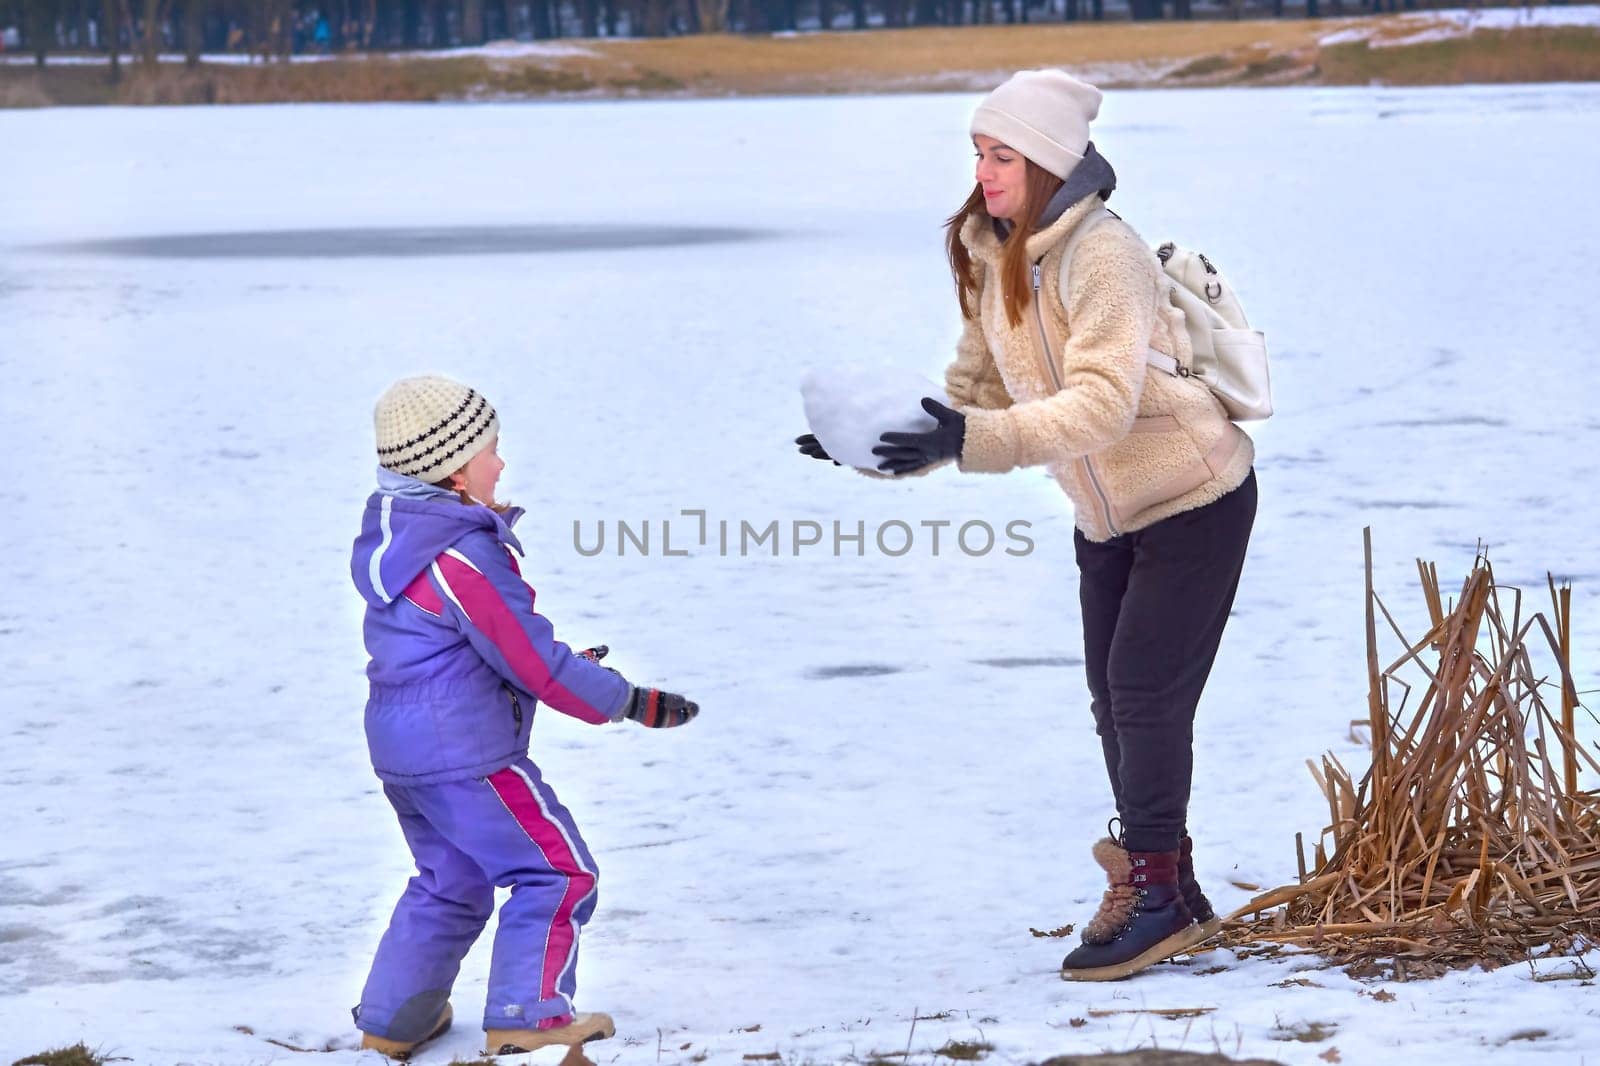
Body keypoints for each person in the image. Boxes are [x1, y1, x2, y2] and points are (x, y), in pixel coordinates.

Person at [797, 70, 1256, 982]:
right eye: (978, 151)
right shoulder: (991, 248)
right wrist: (889, 444)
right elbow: (980, 380)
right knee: (1113, 703)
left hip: (1194, 494)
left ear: (1047, 162)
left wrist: (967, 439)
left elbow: (1100, 409)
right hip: (1103, 512)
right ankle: (1174, 881)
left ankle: (1155, 893)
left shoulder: (1105, 256)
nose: (984, 169)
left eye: (1002, 154)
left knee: (1143, 693)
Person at [350, 375, 701, 1057]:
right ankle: (528, 1019)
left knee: (451, 881)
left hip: (403, 752)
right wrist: (624, 699)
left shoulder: (402, 547)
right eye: (491, 449)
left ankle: (393, 1023)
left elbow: (483, 652)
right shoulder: (462, 555)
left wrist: (563, 664)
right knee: (556, 872)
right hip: (467, 757)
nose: (500, 463)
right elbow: (532, 662)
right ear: (453, 469)